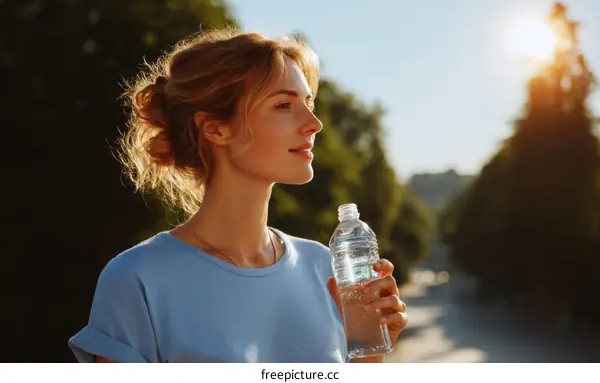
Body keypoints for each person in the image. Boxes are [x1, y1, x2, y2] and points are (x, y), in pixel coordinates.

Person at [68, 28, 408, 363]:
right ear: (216, 128)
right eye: (284, 105)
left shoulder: (324, 267)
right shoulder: (137, 279)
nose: (314, 123)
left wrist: (369, 354)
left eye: (308, 102)